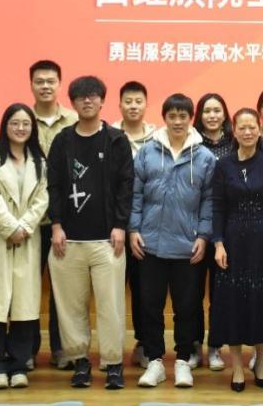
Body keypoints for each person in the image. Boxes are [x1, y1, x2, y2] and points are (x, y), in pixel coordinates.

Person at [47, 76, 134, 390]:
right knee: (71, 307)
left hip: (107, 241)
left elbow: (126, 185)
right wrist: (56, 224)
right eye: (81, 97)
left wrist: (120, 225)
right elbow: (54, 185)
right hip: (68, 241)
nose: (87, 101)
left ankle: (113, 365)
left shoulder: (116, 140)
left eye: (93, 96)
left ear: (102, 101)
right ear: (72, 102)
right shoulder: (62, 141)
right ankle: (80, 362)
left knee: (111, 307)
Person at [131, 94, 216, 389]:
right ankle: (155, 361)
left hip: (188, 246)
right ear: (164, 118)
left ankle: (182, 361)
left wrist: (203, 235)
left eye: (183, 116)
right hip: (150, 243)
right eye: (172, 116)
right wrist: (133, 229)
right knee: (149, 305)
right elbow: (136, 194)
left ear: (191, 119)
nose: (177, 121)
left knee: (187, 307)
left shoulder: (204, 157)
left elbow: (208, 201)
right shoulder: (147, 152)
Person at [211, 108, 263, 392]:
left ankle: (261, 363)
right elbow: (218, 207)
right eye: (241, 127)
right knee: (233, 302)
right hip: (232, 241)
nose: (247, 132)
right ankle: (237, 367)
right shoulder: (224, 165)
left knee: (262, 300)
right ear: (234, 130)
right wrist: (218, 243)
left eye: (251, 127)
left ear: (259, 129)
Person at [0, 104, 49, 389]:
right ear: (5, 126)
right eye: (14, 123)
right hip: (0, 238)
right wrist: (11, 228)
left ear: (32, 128)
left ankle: (19, 365)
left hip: (28, 239)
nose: (20, 128)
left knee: (24, 305)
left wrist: (25, 226)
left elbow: (42, 199)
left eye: (25, 124)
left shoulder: (39, 162)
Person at [28, 60, 77, 370]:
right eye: (39, 81)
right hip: (30, 221)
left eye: (50, 81)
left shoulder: (74, 120)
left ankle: (62, 348)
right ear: (31, 84)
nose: (45, 86)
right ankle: (28, 348)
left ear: (59, 84)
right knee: (28, 286)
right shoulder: (21, 119)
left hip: (66, 220)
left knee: (63, 288)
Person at [111, 80, 157, 370]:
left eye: (138, 101)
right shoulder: (109, 137)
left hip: (147, 226)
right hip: (113, 225)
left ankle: (143, 343)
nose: (133, 106)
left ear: (146, 104)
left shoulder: (158, 138)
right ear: (119, 105)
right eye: (128, 101)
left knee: (143, 288)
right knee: (113, 288)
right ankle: (112, 346)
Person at [191, 93, 233, 369]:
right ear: (199, 115)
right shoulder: (191, 143)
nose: (212, 116)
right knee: (192, 293)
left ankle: (216, 346)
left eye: (217, 110)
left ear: (225, 114)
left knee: (220, 294)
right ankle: (194, 345)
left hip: (227, 231)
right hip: (195, 229)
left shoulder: (235, 143)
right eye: (207, 111)